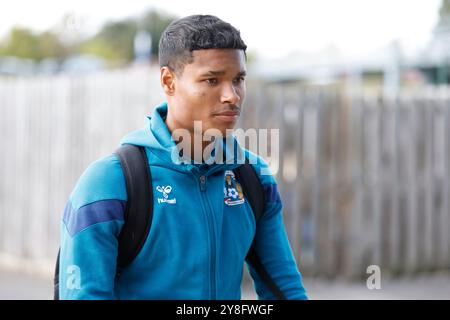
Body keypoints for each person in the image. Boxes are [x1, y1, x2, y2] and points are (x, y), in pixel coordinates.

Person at [58, 14, 308, 300]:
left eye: (238, 79)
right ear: (168, 81)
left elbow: (285, 289)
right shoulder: (110, 182)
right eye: (212, 80)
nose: (232, 95)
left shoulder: (253, 177)